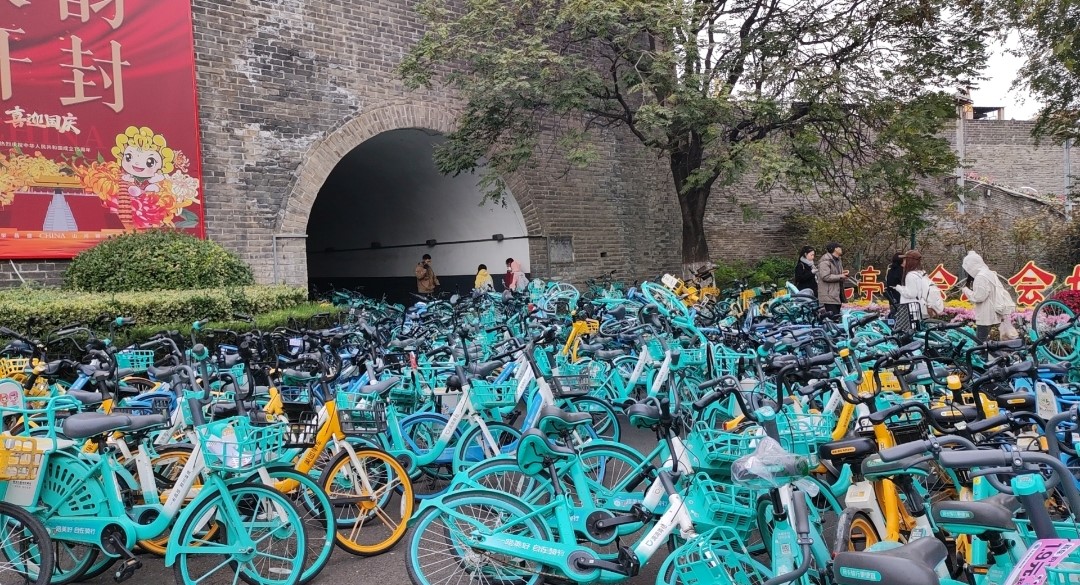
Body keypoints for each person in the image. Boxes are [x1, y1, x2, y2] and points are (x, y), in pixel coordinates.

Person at [961, 251, 1008, 341]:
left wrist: (966, 290)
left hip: (985, 315)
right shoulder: (989, 273)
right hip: (995, 312)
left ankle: (983, 355)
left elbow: (979, 297)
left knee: (980, 343)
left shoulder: (980, 277)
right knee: (990, 343)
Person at [894, 250, 931, 321]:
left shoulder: (910, 275)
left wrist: (899, 288)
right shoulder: (922, 273)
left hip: (912, 309)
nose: (903, 262)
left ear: (909, 261)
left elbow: (911, 294)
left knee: (911, 330)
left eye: (905, 260)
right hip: (922, 307)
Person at [817, 242, 849, 317]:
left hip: (837, 293)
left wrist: (842, 275)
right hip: (829, 294)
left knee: (837, 316)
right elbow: (825, 276)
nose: (841, 249)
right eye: (839, 247)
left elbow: (835, 274)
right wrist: (840, 276)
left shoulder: (838, 260)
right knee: (832, 318)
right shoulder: (825, 261)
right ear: (835, 249)